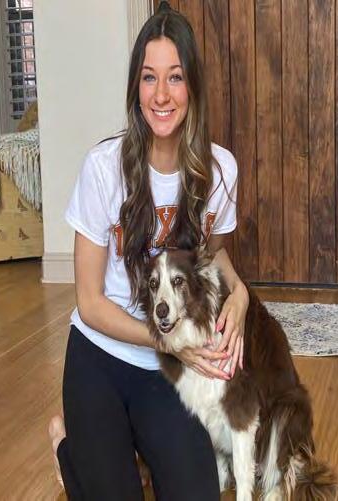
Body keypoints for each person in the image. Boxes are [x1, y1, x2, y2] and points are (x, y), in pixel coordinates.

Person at [49, 2, 249, 499]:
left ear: (192, 86)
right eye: (148, 77)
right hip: (100, 357)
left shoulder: (219, 170)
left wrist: (241, 294)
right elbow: (89, 302)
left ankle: (131, 452)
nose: (161, 95)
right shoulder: (103, 168)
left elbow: (214, 254)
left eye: (175, 77)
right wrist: (167, 340)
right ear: (135, 87)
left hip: (166, 372)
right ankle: (66, 447)